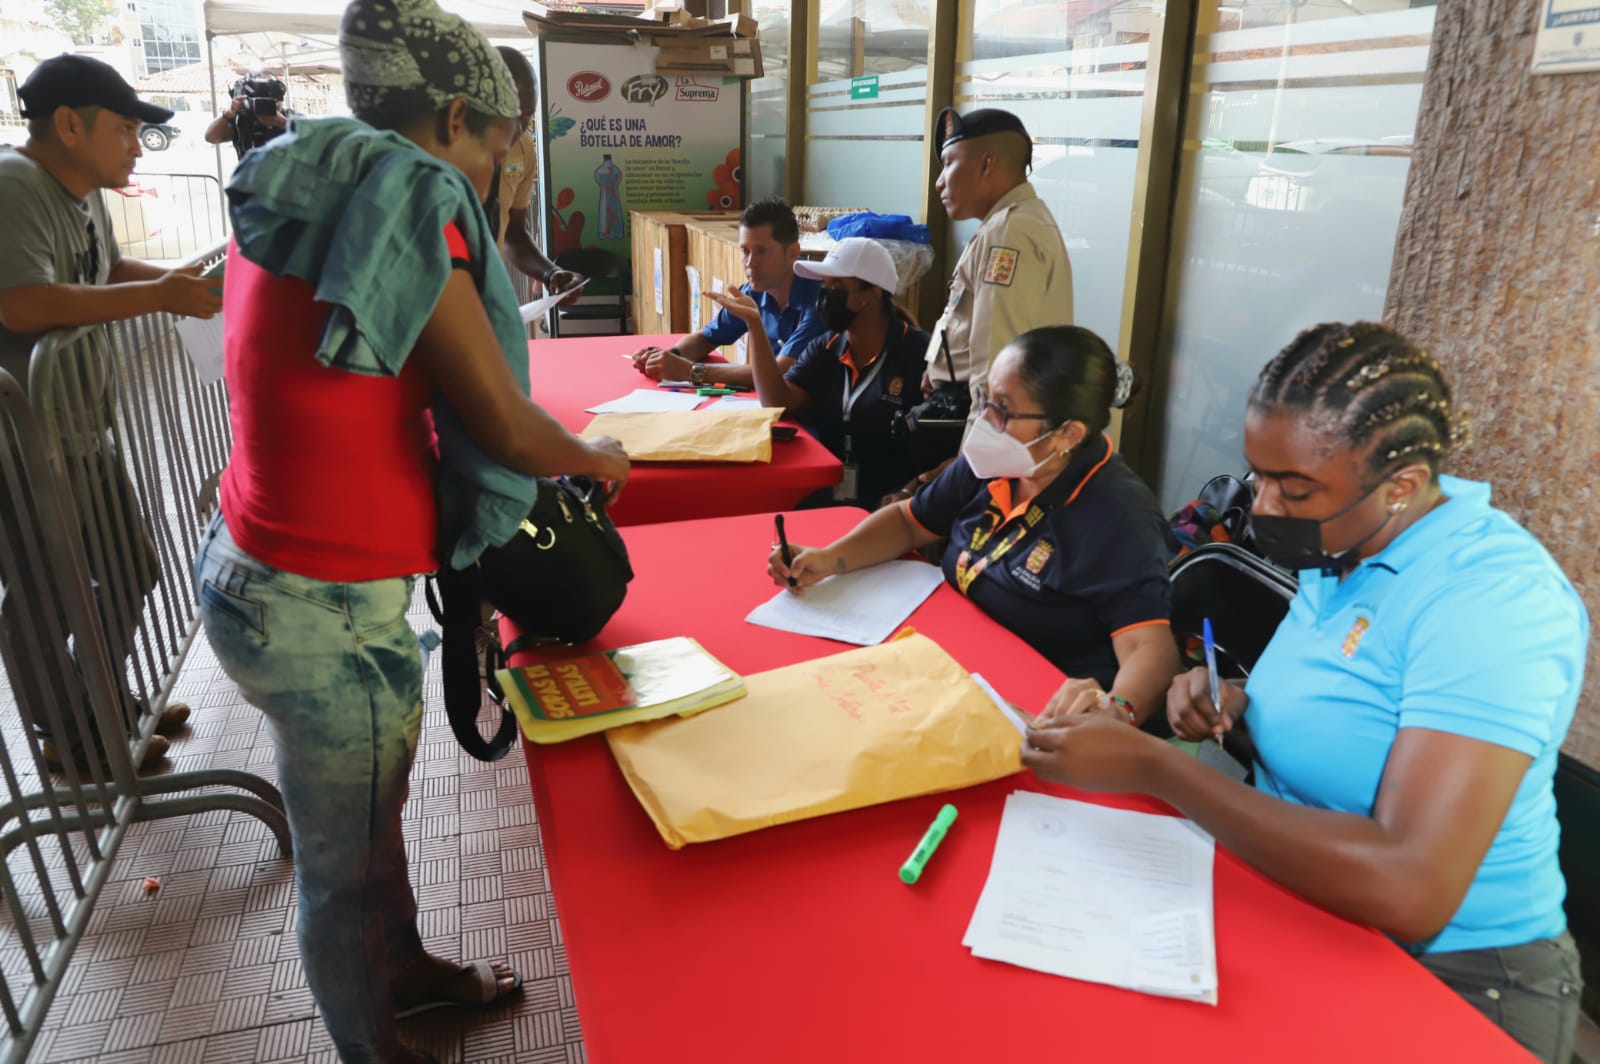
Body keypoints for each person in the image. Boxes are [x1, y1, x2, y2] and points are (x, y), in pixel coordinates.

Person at [191, 1, 630, 1060]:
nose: (496, 168)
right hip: (316, 601)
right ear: (451, 119)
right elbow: (509, 429)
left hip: (278, 570)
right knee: (340, 867)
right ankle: (371, 1044)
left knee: (373, 814)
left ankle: (406, 972)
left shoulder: (307, 177)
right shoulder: (411, 196)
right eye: (498, 140)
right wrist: (597, 457)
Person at [1021, 322, 1587, 1064]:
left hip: (1459, 977)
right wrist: (1234, 709)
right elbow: (1352, 728)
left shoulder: (1492, 600)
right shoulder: (1344, 543)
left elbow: (1411, 883)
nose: (1263, 507)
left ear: (1403, 485)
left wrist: (1159, 765)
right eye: (1259, 475)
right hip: (1313, 906)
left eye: (1294, 488)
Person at [769, 325, 1178, 719]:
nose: (984, 420)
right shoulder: (998, 461)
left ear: (1067, 434)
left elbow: (1149, 646)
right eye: (984, 398)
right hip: (947, 669)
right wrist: (828, 560)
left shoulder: (1119, 516)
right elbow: (910, 522)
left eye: (1002, 409)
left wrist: (1117, 711)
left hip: (1036, 707)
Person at [0, 53, 221, 770]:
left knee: (129, 568)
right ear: (69, 124)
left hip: (76, 429)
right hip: (24, 438)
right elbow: (24, 301)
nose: (136, 144)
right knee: (42, 595)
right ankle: (66, 733)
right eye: (125, 129)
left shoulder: (85, 189)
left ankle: (99, 699)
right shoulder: (15, 186)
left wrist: (184, 279)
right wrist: (162, 297)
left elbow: (106, 271)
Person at [723, 237, 929, 509]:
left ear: (871, 295)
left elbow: (942, 452)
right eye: (825, 285)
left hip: (892, 504)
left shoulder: (920, 354)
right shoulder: (827, 345)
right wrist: (755, 327)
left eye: (838, 286)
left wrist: (908, 493)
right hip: (831, 493)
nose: (826, 294)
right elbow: (777, 402)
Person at [926, 106, 1074, 411]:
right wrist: (936, 366)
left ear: (986, 164)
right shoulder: (1007, 224)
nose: (939, 182)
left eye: (949, 163)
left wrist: (975, 456)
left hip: (990, 420)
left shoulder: (1009, 233)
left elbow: (995, 368)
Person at [630, 197, 824, 389]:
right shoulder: (752, 292)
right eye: (745, 251)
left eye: (761, 251)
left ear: (792, 252)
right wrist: (667, 358)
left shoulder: (820, 301)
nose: (750, 263)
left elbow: (779, 371)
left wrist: (692, 371)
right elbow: (706, 339)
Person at [487, 46, 580, 297]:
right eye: (508, 115)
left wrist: (551, 273)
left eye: (526, 117)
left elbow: (512, 233)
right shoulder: (444, 156)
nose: (517, 129)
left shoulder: (524, 146)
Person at [204, 72, 290, 160]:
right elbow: (211, 137)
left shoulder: (290, 117)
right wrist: (228, 113)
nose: (264, 102)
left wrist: (283, 123)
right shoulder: (241, 120)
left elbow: (304, 141)